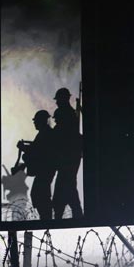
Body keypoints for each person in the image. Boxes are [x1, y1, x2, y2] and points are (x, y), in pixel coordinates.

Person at [18, 110, 56, 220]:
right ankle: (46, 218)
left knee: (39, 195)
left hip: (45, 171)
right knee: (39, 194)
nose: (34, 123)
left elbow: (38, 151)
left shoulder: (45, 134)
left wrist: (24, 148)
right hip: (45, 170)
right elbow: (37, 149)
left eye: (36, 121)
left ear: (41, 121)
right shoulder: (45, 133)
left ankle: (46, 218)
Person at [52, 87, 83, 219]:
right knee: (69, 187)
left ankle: (63, 216)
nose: (57, 102)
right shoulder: (71, 114)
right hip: (71, 157)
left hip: (67, 158)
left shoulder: (65, 113)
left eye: (58, 99)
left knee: (64, 187)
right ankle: (76, 214)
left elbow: (59, 134)